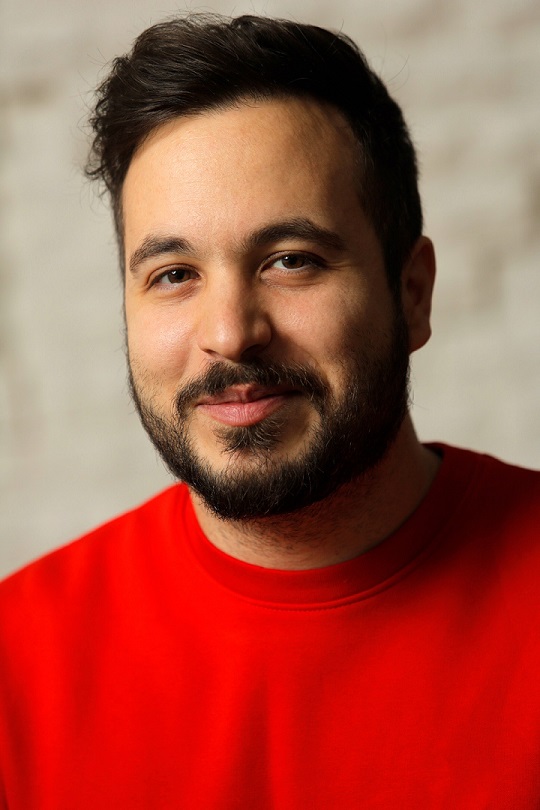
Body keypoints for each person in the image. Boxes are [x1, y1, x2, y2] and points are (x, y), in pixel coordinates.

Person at [0, 14, 539, 809]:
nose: (229, 334)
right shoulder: (17, 667)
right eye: (174, 274)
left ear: (412, 293)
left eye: (291, 261)